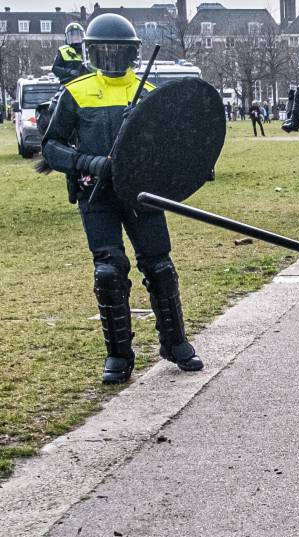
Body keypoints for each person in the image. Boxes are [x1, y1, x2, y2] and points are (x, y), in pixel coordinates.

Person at [41, 14, 203, 385]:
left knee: (160, 266)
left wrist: (144, 135)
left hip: (141, 195)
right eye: (104, 51)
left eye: (119, 51)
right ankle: (118, 354)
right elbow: (51, 147)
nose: (112, 57)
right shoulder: (75, 92)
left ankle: (174, 342)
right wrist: (88, 162)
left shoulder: (148, 93)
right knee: (109, 271)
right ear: (91, 53)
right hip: (95, 194)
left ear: (132, 54)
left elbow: (170, 146)